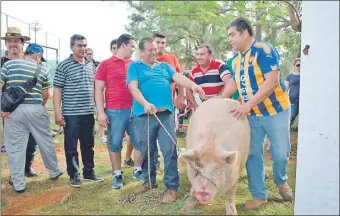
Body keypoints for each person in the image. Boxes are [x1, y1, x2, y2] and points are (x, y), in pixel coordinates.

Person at [222, 17, 293, 210]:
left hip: (276, 111)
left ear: (245, 33)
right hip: (251, 115)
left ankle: (280, 180)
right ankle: (259, 195)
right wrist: (219, 100)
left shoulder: (265, 50)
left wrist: (246, 106)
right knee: (252, 154)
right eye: (228, 35)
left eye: (232, 34)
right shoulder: (235, 59)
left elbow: (271, 82)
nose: (230, 39)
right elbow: (235, 83)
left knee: (280, 153)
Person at [127, 36, 205, 203]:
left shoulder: (165, 66)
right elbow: (133, 88)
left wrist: (193, 86)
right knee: (147, 150)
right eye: (150, 50)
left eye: (155, 49)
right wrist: (146, 103)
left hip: (166, 114)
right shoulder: (135, 67)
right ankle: (149, 181)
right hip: (144, 114)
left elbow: (179, 78)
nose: (154, 52)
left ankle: (171, 187)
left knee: (169, 149)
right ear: (142, 51)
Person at [1, 43, 64, 193]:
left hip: (13, 111)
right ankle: (54, 171)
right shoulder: (41, 68)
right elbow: (45, 94)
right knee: (45, 142)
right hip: (35, 108)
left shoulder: (9, 64)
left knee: (15, 147)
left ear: (26, 53)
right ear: (38, 56)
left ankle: (19, 184)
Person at [53, 34, 104, 188]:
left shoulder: (91, 65)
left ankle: (89, 172)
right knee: (71, 146)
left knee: (88, 145)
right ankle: (74, 175)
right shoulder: (63, 66)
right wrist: (57, 112)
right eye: (79, 46)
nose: (82, 48)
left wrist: (98, 108)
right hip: (71, 113)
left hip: (88, 112)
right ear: (72, 47)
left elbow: (96, 89)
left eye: (84, 46)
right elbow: (57, 90)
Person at [95, 34, 143, 189]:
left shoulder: (134, 64)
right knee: (115, 144)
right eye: (132, 47)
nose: (133, 50)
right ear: (123, 45)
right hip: (115, 110)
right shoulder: (105, 64)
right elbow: (99, 89)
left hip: (135, 109)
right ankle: (117, 175)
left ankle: (138, 170)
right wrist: (101, 112)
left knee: (139, 142)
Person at [0, 27, 39, 177]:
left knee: (31, 141)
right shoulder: (2, 62)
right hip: (10, 111)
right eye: (9, 41)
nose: (12, 44)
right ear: (6, 45)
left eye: (16, 40)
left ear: (22, 43)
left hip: (30, 109)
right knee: (14, 144)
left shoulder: (30, 63)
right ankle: (16, 174)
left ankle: (27, 168)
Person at [152, 32, 186, 173]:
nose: (160, 45)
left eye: (163, 43)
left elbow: (180, 77)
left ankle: (172, 167)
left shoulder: (171, 58)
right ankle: (155, 165)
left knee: (170, 137)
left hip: (169, 106)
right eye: (158, 42)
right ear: (152, 42)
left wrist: (181, 95)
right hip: (150, 107)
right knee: (151, 138)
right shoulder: (145, 60)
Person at [186, 44, 232, 110]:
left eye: (202, 54)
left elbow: (228, 81)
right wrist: (195, 106)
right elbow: (188, 89)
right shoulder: (194, 71)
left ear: (210, 55)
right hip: (203, 107)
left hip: (221, 106)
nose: (199, 57)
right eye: (197, 54)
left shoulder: (219, 65)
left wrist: (219, 98)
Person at [285, 58, 301, 123]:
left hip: (303, 100)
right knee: (291, 116)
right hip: (293, 100)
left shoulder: (305, 75)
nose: (299, 66)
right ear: (294, 66)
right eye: (298, 65)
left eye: (301, 65)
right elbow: (285, 89)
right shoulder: (289, 76)